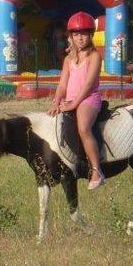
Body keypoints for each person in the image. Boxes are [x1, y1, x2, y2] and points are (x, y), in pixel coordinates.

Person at [48, 12, 105, 190]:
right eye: (76, 34)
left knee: (83, 127)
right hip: (71, 99)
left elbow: (88, 84)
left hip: (88, 99)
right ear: (71, 37)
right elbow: (62, 84)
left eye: (84, 34)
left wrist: (74, 104)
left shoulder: (94, 56)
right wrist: (56, 101)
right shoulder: (68, 60)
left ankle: (97, 170)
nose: (80, 38)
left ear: (91, 35)